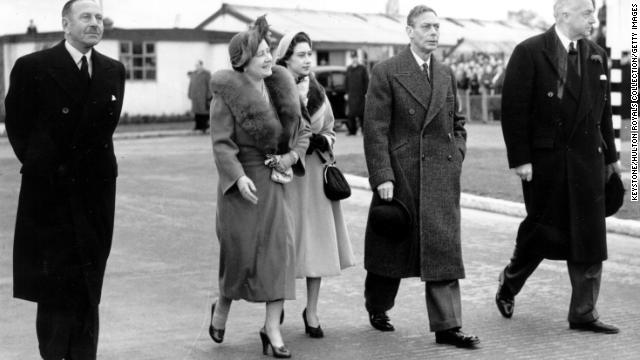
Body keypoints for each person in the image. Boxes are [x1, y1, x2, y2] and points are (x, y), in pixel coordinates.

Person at [4, 0, 125, 358]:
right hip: (51, 197)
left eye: (99, 17)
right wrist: (46, 167)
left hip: (96, 196)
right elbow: (18, 126)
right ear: (65, 24)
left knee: (89, 287)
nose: (94, 23)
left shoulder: (112, 70)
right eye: (86, 17)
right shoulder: (33, 67)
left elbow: (105, 129)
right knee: (55, 291)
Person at [496, 0, 621, 334]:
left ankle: (583, 312)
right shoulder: (530, 51)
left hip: (587, 161)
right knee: (542, 233)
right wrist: (520, 159)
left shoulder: (596, 54)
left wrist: (612, 159)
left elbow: (602, 112)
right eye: (587, 12)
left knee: (590, 236)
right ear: (564, 14)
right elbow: (514, 109)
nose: (594, 19)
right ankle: (509, 284)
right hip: (545, 163)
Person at [362, 5, 479, 348]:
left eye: (437, 27)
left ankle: (448, 327)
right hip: (402, 177)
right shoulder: (386, 72)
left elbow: (458, 123)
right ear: (409, 31)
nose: (433, 32)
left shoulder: (446, 74)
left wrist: (456, 154)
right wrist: (383, 175)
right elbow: (375, 129)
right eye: (426, 26)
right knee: (392, 249)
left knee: (443, 250)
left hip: (441, 175)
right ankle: (378, 305)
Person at [207, 16, 310, 358]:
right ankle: (222, 306)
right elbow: (222, 144)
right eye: (261, 54)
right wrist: (237, 176)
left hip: (274, 182)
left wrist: (293, 157)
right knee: (240, 256)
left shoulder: (282, 87)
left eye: (269, 51)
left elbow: (301, 133)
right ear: (242, 62)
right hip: (242, 187)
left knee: (279, 255)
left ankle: (272, 328)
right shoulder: (226, 96)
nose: (269, 58)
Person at [275, 31, 356, 338]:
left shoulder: (319, 91)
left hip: (316, 173)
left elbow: (332, 128)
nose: (308, 59)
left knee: (318, 244)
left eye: (310, 53)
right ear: (286, 58)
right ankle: (276, 303)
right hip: (287, 176)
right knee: (285, 242)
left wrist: (323, 139)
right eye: (301, 54)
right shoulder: (273, 88)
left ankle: (312, 309)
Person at [344, 51, 369, 135]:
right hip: (351, 95)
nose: (354, 59)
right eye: (353, 57)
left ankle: (364, 130)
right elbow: (346, 81)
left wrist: (367, 93)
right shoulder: (349, 69)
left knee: (362, 114)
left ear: (357, 58)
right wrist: (346, 93)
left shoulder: (362, 68)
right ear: (351, 58)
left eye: (355, 57)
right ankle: (352, 131)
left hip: (361, 94)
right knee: (351, 114)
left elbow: (366, 81)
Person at [187, 60, 212, 133]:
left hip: (203, 97)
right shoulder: (194, 74)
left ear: (201, 65)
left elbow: (209, 85)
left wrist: (209, 95)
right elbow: (191, 84)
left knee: (204, 112)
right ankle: (197, 126)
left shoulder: (207, 74)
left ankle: (204, 126)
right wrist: (189, 93)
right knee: (196, 112)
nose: (196, 67)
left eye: (198, 65)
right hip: (195, 97)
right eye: (196, 65)